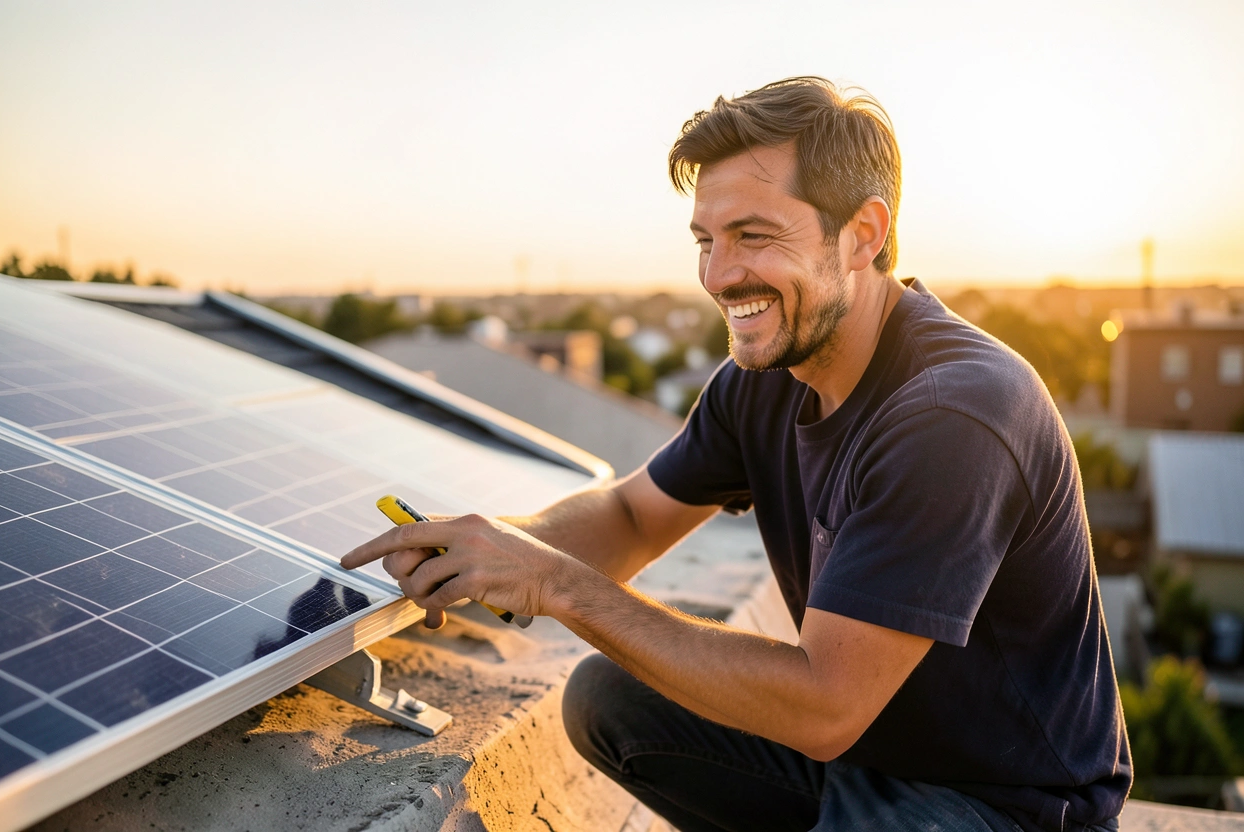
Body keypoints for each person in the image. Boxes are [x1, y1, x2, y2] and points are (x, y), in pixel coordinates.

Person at [342, 77, 1131, 832]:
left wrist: (560, 585)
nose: (719, 276)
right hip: (861, 758)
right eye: (706, 241)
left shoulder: (954, 413)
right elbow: (630, 515)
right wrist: (493, 548)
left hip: (1000, 804)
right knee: (609, 700)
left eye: (754, 236)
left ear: (863, 234)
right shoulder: (769, 375)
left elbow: (824, 706)